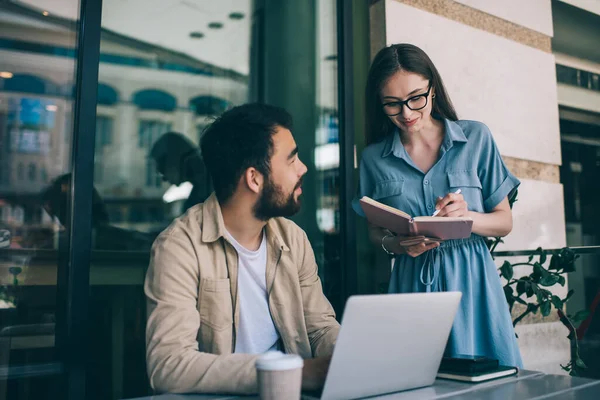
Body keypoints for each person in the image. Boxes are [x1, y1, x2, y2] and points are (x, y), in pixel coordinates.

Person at [145, 103, 339, 394]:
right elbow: (169, 365)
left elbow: (320, 328)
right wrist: (293, 373)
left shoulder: (293, 239)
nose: (303, 168)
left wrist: (351, 357)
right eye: (291, 160)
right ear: (254, 178)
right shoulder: (178, 248)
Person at [353, 43, 523, 367]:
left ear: (433, 89)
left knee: (486, 381)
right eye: (392, 104)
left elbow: (505, 222)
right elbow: (375, 233)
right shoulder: (374, 158)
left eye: (416, 98)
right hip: (410, 283)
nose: (406, 113)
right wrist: (400, 245)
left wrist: (467, 217)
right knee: (412, 378)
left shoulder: (476, 138)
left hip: (472, 281)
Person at [150, 131, 209, 212]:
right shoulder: (204, 186)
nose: (164, 179)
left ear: (173, 159)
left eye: (162, 169)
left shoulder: (210, 185)